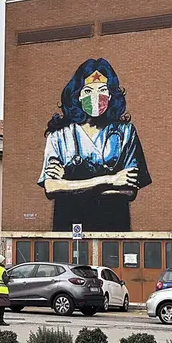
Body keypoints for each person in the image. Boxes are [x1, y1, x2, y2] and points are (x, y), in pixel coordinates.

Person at [38, 58, 151, 232]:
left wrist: (69, 184)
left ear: (111, 95)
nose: (96, 97)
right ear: (78, 95)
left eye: (103, 90)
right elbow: (51, 187)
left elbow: (129, 190)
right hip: (68, 226)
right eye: (88, 90)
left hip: (113, 227)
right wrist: (110, 179)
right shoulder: (59, 135)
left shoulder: (125, 132)